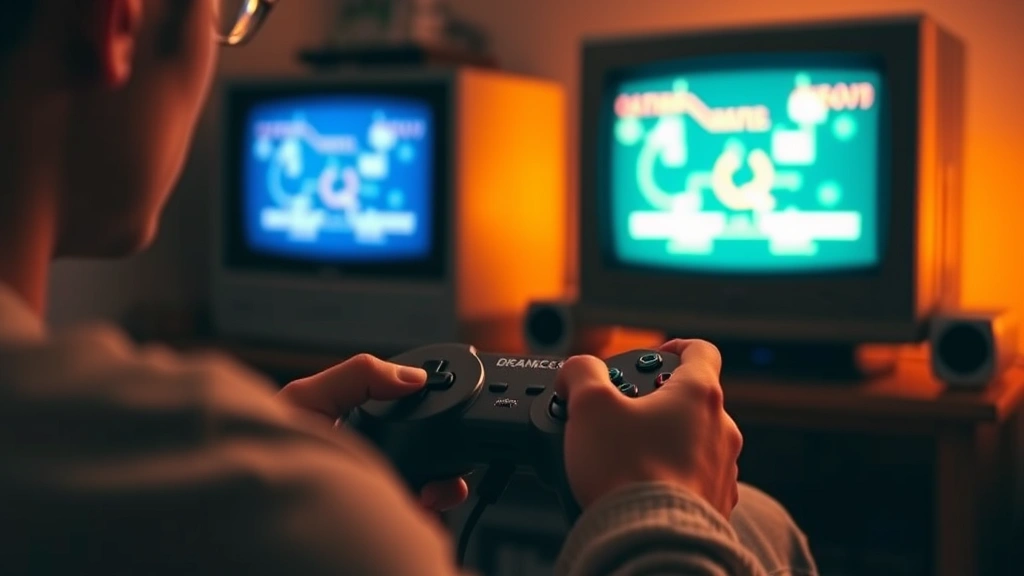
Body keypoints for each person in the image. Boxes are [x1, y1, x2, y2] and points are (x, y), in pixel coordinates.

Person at [0, 1, 818, 574]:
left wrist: (283, 470)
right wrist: (658, 505)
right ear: (117, 21)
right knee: (758, 522)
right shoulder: (273, 512)